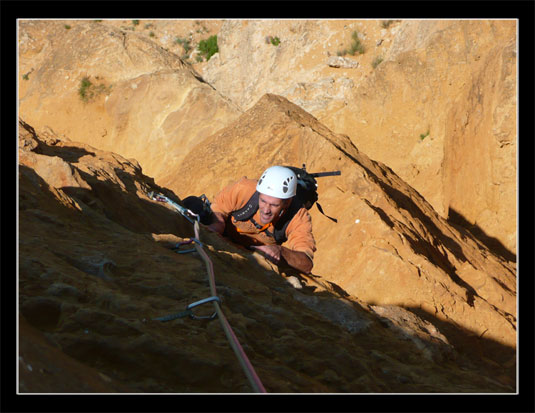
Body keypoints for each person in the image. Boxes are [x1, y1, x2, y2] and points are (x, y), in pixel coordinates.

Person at [206, 166, 316, 274]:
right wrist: (217, 224)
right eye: (263, 201)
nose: (266, 210)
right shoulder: (243, 189)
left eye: (274, 205)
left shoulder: (297, 217)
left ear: (287, 203)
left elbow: (306, 263)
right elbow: (219, 208)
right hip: (224, 240)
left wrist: (280, 252)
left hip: (253, 263)